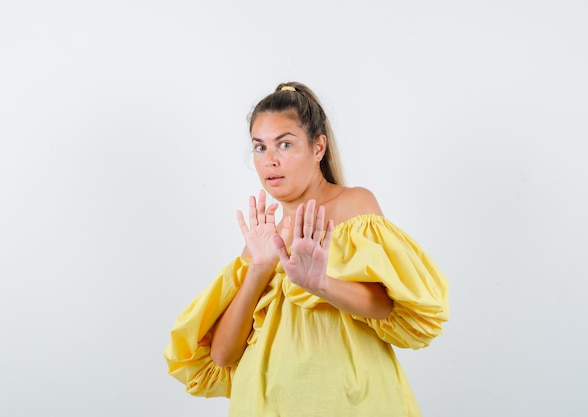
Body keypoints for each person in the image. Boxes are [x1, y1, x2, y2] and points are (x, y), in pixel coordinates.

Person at [163, 82, 449, 416]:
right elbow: (223, 357)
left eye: (284, 144)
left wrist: (320, 283)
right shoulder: (262, 239)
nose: (270, 161)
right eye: (260, 147)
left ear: (318, 147)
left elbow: (389, 307)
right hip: (266, 405)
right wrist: (258, 268)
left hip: (353, 403)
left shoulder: (354, 206)